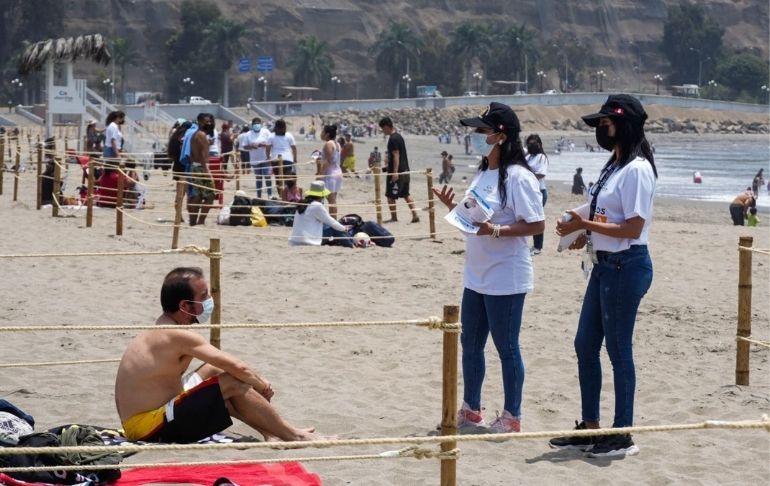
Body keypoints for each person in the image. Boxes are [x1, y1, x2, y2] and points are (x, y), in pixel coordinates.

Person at [551, 94, 657, 458]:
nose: (600, 130)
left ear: (623, 124)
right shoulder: (615, 164)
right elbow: (608, 216)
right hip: (604, 265)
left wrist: (586, 225)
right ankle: (591, 426)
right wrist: (582, 232)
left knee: (618, 350)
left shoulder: (638, 168)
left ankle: (623, 432)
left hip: (626, 266)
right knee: (584, 344)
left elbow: (633, 227)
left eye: (604, 124)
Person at [433, 102, 545, 434]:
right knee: (470, 344)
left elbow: (536, 224)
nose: (477, 135)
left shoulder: (519, 177)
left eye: (482, 130)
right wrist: (454, 207)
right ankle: (471, 409)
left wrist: (496, 231)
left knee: (506, 346)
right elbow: (475, 217)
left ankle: (512, 416)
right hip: (476, 273)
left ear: (501, 135)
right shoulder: (484, 171)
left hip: (506, 275)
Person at [115, 267, 325, 443]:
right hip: (146, 428)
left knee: (214, 371)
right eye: (204, 296)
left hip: (151, 415)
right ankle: (293, 435)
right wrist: (262, 385)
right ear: (184, 306)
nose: (210, 300)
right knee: (233, 381)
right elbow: (238, 367)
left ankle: (271, 433)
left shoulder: (163, 327)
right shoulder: (175, 334)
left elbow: (221, 364)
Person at [379, 117, 420, 223]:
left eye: (383, 129)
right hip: (405, 170)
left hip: (398, 172)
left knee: (390, 195)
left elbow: (396, 154)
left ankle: (394, 217)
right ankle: (415, 215)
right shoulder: (399, 137)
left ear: (387, 127)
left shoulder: (393, 138)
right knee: (406, 194)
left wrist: (395, 172)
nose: (383, 132)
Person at [289, 180, 350, 246]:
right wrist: (344, 228)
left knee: (329, 227)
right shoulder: (317, 206)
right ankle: (351, 245)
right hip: (309, 241)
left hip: (294, 240)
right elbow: (331, 222)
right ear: (321, 195)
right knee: (334, 228)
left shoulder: (302, 203)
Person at [186, 113, 217, 226]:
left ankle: (193, 221)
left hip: (195, 167)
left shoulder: (195, 135)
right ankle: (200, 221)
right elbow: (203, 156)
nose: (208, 124)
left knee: (198, 196)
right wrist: (207, 172)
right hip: (201, 168)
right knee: (210, 196)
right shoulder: (201, 135)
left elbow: (193, 153)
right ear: (199, 122)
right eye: (206, 121)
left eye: (209, 121)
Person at [525, 134, 548, 255]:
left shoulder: (541, 157)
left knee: (536, 218)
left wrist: (527, 175)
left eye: (533, 142)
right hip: (528, 191)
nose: (531, 145)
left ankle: (538, 247)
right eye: (529, 142)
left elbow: (541, 174)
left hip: (539, 191)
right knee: (528, 218)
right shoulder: (528, 156)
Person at [318, 124, 343, 219]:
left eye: (323, 132)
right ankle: (332, 220)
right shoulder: (337, 144)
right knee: (332, 200)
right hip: (337, 172)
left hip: (330, 174)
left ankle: (333, 222)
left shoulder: (328, 144)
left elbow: (328, 161)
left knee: (331, 201)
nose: (321, 134)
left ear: (327, 134)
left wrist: (320, 175)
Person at [244, 117, 272, 199]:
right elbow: (244, 146)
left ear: (261, 124)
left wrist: (265, 145)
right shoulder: (248, 134)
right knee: (258, 178)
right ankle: (259, 196)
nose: (257, 125)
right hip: (255, 159)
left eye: (258, 123)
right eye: (255, 123)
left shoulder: (266, 132)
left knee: (267, 176)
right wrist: (252, 145)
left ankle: (269, 194)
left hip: (265, 158)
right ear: (252, 125)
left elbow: (271, 142)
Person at [266, 119, 298, 192]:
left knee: (278, 179)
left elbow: (267, 148)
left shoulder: (271, 136)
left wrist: (268, 158)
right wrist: (295, 159)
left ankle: (281, 195)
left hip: (275, 159)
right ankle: (287, 195)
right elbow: (294, 148)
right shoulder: (289, 135)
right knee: (288, 178)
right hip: (288, 159)